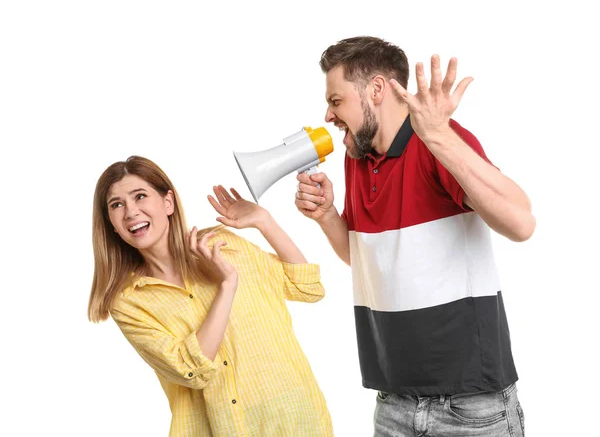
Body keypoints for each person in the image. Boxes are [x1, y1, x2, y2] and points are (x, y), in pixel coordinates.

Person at [295, 36, 533, 436]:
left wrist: (439, 136)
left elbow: (521, 223)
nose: (328, 115)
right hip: (393, 401)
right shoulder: (358, 156)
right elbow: (367, 259)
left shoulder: (439, 141)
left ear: (375, 89)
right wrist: (327, 216)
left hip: (470, 407)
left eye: (336, 101)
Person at [88, 156, 333, 437]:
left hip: (297, 422)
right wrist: (226, 286)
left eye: (140, 196)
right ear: (112, 225)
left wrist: (265, 221)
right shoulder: (129, 301)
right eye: (116, 205)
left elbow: (307, 288)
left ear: (168, 202)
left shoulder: (224, 245)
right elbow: (190, 369)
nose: (130, 212)